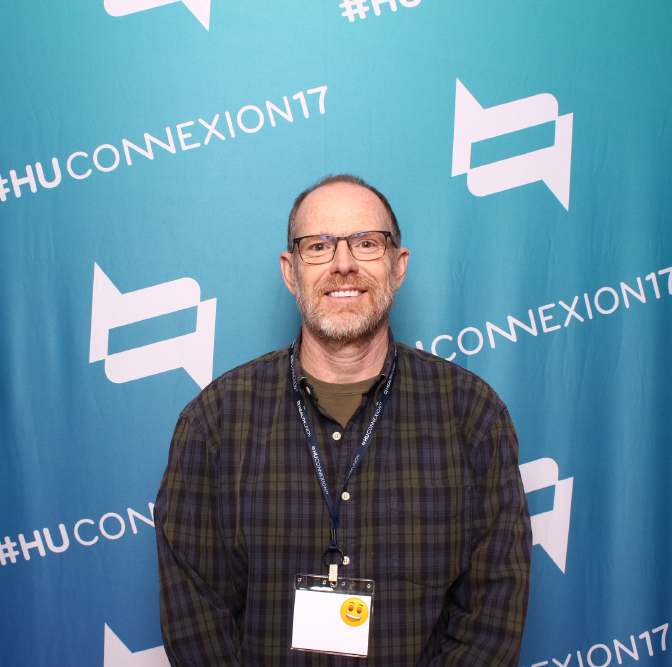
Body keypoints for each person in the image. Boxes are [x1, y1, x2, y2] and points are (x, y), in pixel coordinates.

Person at [155, 174, 532, 666]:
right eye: (318, 246)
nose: (344, 264)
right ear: (290, 272)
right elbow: (195, 620)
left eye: (366, 243)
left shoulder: (472, 415)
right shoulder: (216, 422)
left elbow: (493, 612)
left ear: (398, 265)